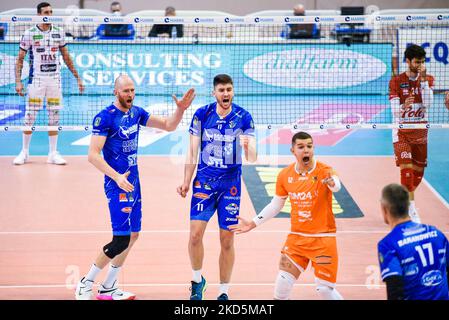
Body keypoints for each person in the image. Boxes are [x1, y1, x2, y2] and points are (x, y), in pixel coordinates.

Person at [75, 75, 195, 300]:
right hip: (117, 183)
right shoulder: (105, 118)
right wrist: (117, 177)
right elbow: (92, 155)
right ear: (116, 92)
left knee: (133, 235)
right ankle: (86, 282)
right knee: (120, 239)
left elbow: (169, 126)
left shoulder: (136, 113)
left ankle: (108, 286)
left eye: (132, 91)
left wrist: (180, 110)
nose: (130, 95)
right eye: (126, 91)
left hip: (134, 182)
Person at [229, 131, 344, 300]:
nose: (306, 151)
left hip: (323, 239)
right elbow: (276, 205)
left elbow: (336, 186)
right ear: (293, 150)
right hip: (297, 239)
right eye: (301, 147)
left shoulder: (325, 171)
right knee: (282, 284)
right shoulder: (285, 175)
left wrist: (333, 184)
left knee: (324, 290)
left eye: (309, 146)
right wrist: (253, 223)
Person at [177, 74, 257, 300]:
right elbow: (192, 150)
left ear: (233, 92)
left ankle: (223, 291)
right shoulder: (202, 114)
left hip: (230, 186)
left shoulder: (244, 117)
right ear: (214, 93)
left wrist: (247, 146)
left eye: (229, 90)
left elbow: (253, 157)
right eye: (221, 90)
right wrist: (185, 181)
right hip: (204, 182)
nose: (226, 94)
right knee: (195, 236)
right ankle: (197, 280)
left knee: (227, 239)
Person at [13, 2, 84, 165]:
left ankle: (53, 153)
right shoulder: (29, 34)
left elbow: (66, 57)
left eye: (51, 12)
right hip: (36, 81)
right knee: (30, 116)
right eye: (46, 12)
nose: (49, 14)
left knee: (54, 116)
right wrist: (18, 81)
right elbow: (19, 60)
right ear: (39, 14)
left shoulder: (59, 33)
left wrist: (77, 78)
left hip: (55, 81)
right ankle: (24, 152)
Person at [377, 183, 449, 300]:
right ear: (408, 206)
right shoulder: (437, 233)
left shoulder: (388, 244)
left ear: (384, 208)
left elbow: (395, 290)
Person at [389, 44, 434, 223]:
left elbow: (429, 103)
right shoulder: (396, 81)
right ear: (408, 61)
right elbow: (394, 111)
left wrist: (422, 81)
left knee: (417, 175)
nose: (420, 65)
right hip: (401, 133)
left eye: (422, 62)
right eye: (417, 62)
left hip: (420, 132)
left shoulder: (428, 79)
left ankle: (400, 200)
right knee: (406, 173)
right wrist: (403, 107)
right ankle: (411, 211)